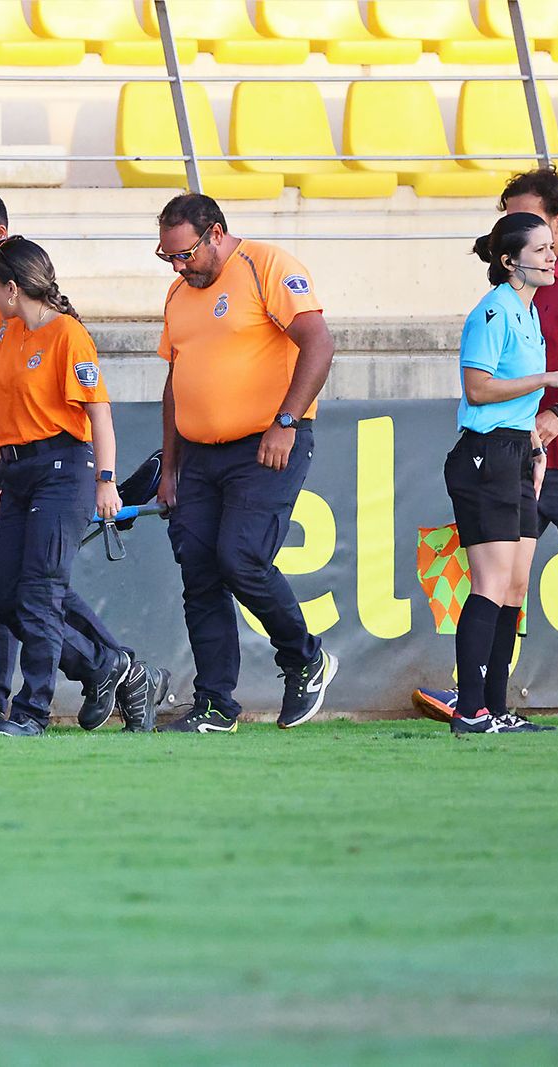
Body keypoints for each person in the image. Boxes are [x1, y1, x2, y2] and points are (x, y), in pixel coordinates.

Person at [0, 188, 165, 734]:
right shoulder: (2, 320)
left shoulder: (59, 329)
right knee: (7, 587)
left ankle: (22, 707)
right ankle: (111, 668)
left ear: (4, 251)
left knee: (34, 588)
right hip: (11, 459)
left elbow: (97, 411)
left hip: (57, 463)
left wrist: (106, 479)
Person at [414, 169, 558, 727]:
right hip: (507, 451)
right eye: (519, 232)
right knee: (498, 578)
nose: (539, 249)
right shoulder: (506, 302)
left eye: (537, 226)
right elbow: (481, 382)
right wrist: (541, 394)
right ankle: (478, 699)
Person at [152, 194, 337, 734]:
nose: (178, 267)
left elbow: (319, 344)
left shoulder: (267, 266)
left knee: (241, 558)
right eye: (167, 258)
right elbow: (175, 380)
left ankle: (304, 657)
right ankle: (214, 703)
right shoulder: (178, 293)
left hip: (266, 442)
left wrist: (286, 421)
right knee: (199, 571)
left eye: (184, 254)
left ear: (214, 233)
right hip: (200, 454)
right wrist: (170, 467)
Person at [440, 213, 558, 734]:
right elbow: (478, 389)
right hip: (485, 455)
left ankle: (495, 706)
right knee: (490, 582)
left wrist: (534, 447)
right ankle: (470, 709)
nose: (552, 256)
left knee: (515, 586)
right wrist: (549, 377)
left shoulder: (528, 312)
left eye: (553, 247)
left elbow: (511, 398)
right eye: (541, 249)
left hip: (516, 453)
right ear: (509, 261)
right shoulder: (493, 312)